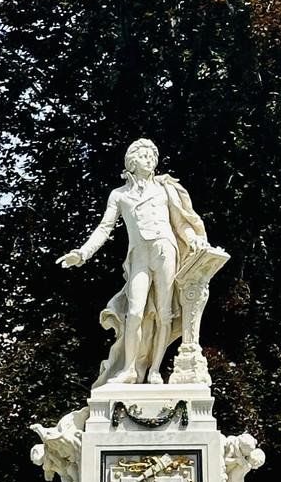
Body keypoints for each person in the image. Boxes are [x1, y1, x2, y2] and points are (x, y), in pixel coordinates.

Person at [58, 138, 209, 385]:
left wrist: (194, 239)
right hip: (138, 256)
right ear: (132, 161)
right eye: (144, 156)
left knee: (164, 314)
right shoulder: (119, 195)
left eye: (152, 156)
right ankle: (129, 369)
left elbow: (181, 222)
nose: (150, 160)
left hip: (165, 250)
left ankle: (155, 370)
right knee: (135, 312)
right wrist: (83, 253)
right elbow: (104, 228)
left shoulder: (165, 189)